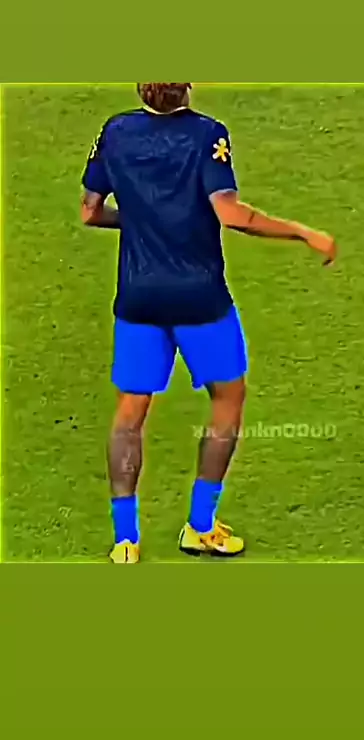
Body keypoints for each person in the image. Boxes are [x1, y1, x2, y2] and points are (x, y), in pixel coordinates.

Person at [81, 82, 337, 564]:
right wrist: (303, 232)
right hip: (200, 299)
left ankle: (125, 540)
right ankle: (200, 526)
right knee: (228, 398)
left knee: (129, 415)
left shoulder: (115, 131)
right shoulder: (206, 134)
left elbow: (90, 212)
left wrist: (143, 220)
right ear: (187, 87)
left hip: (139, 299)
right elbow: (231, 214)